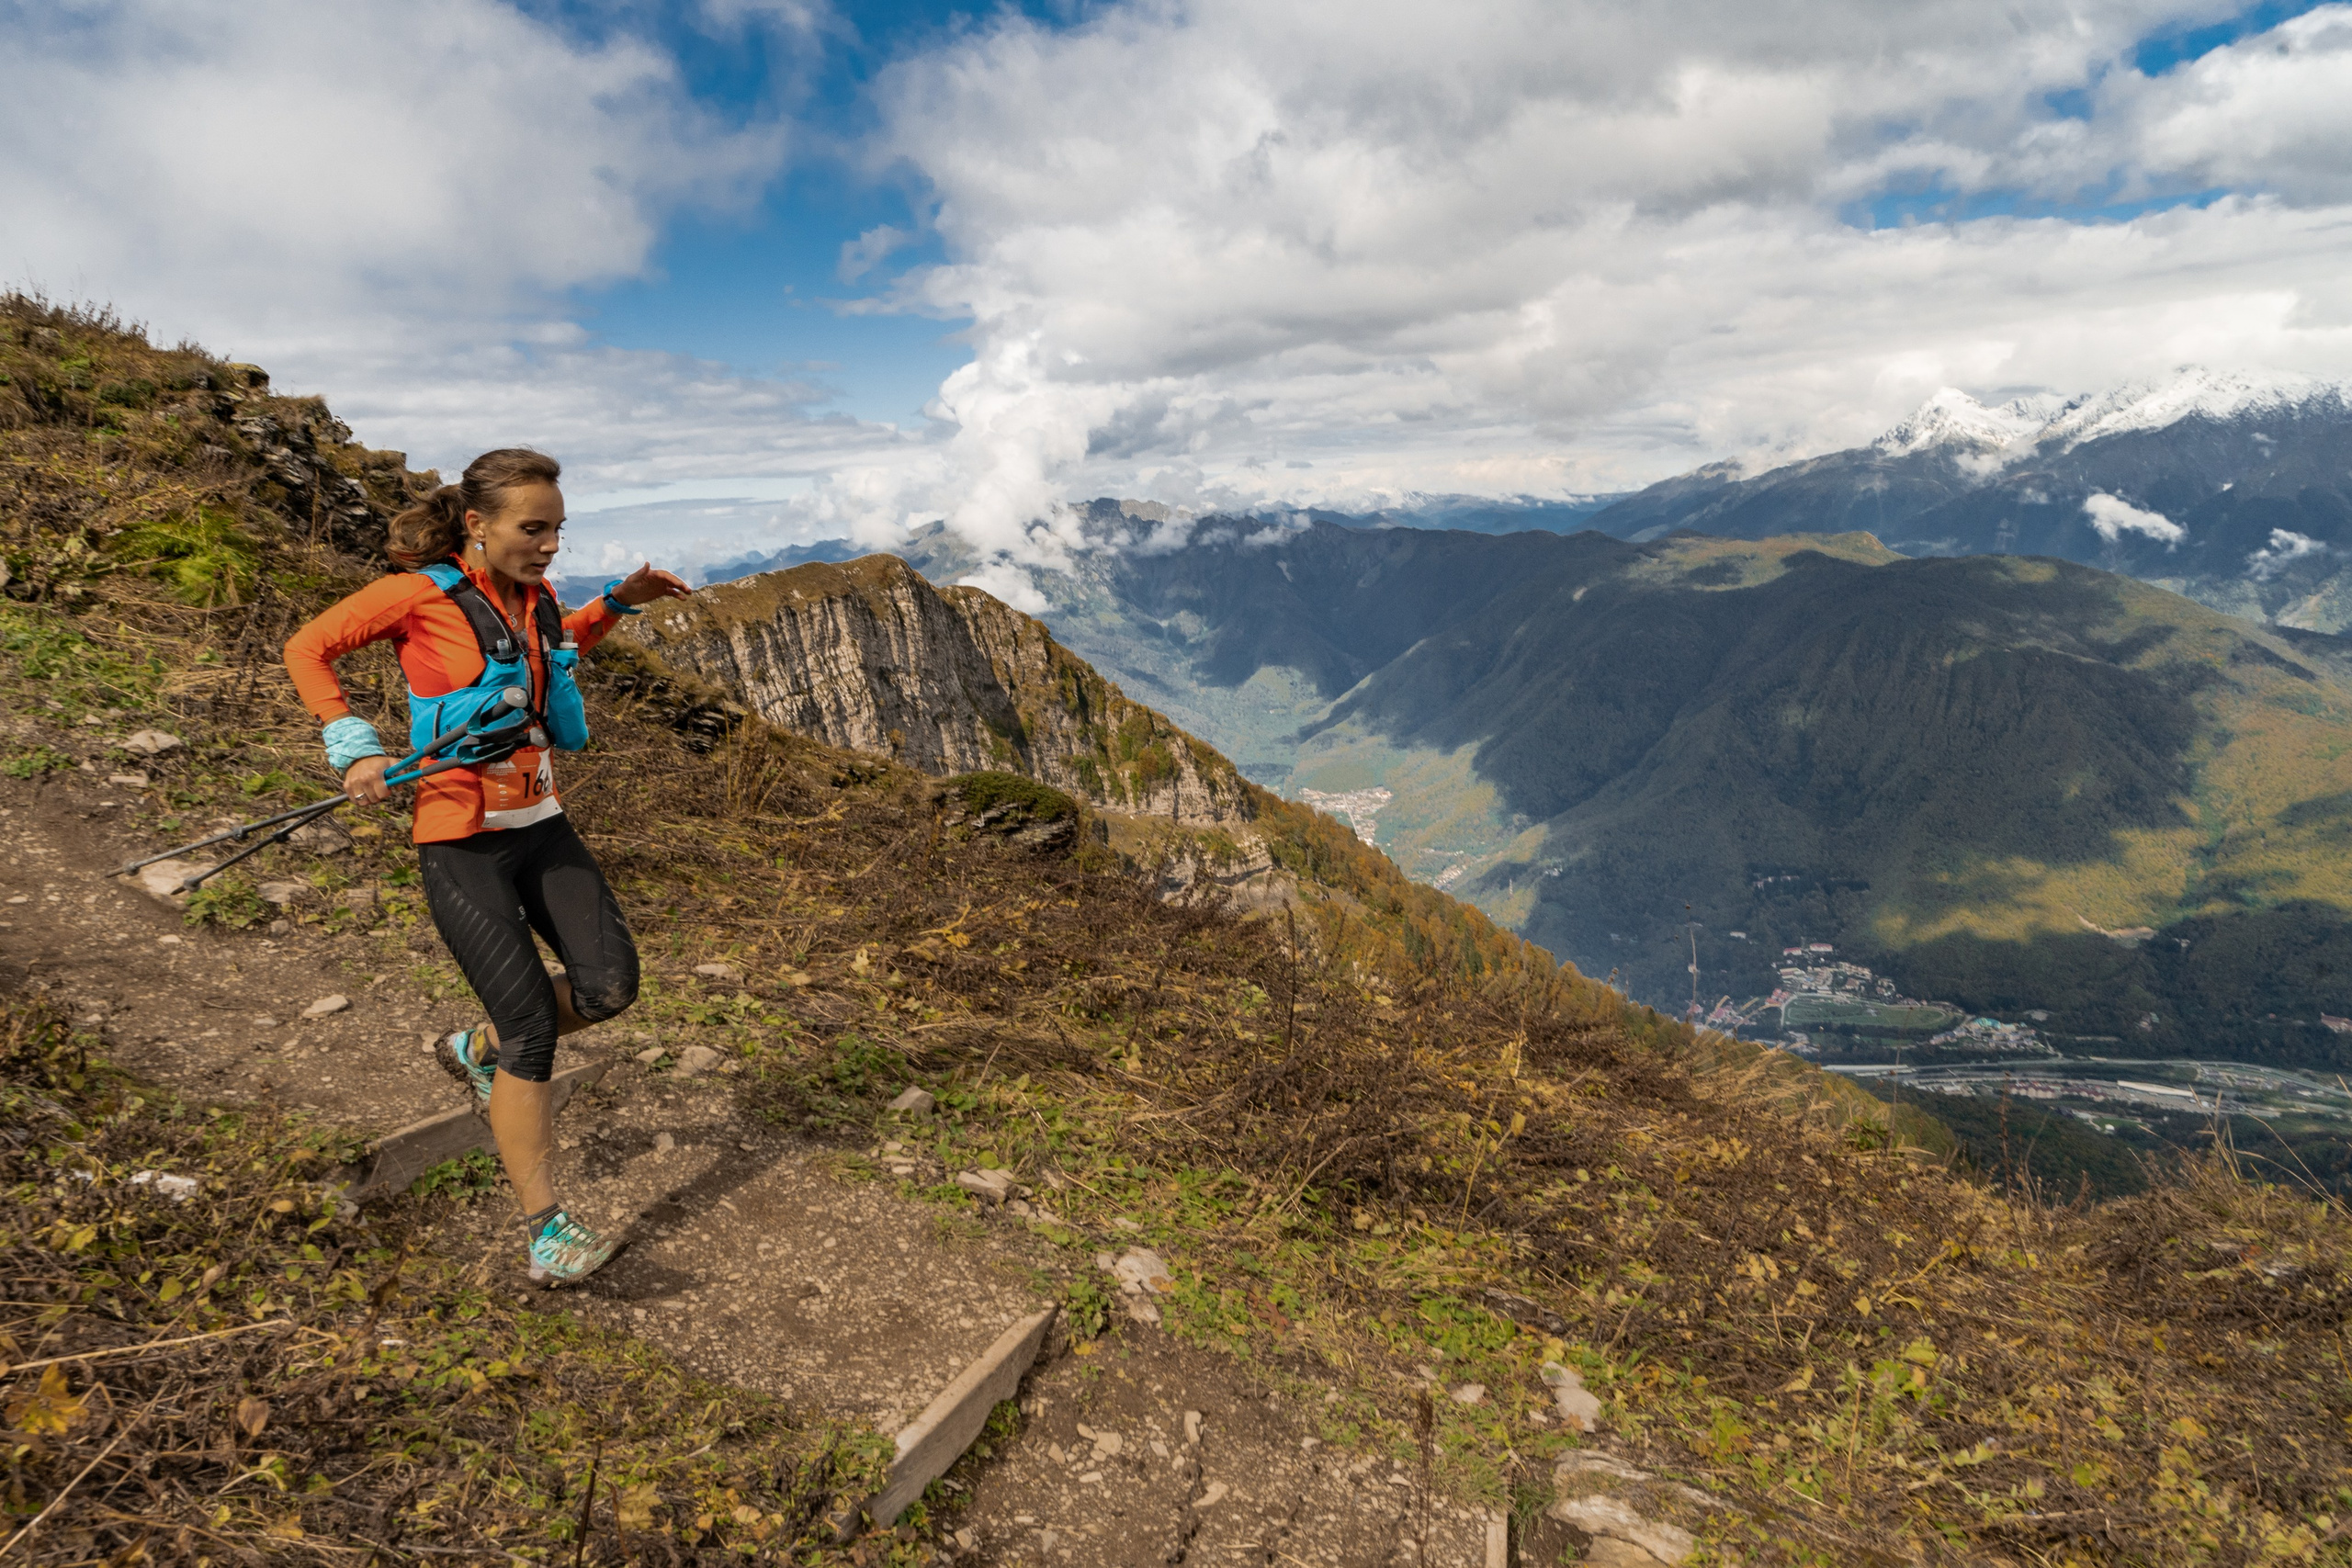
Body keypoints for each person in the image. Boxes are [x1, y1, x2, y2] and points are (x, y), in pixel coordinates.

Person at [284, 447, 688, 1286]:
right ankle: (546, 1228)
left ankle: (478, 1047)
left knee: (610, 986)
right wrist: (351, 744)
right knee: (535, 1030)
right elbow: (308, 648)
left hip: (542, 824)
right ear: (477, 524)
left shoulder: (535, 598)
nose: (548, 546)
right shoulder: (415, 596)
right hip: (460, 839)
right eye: (532, 529)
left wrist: (614, 603)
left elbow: (552, 645)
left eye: (557, 531)